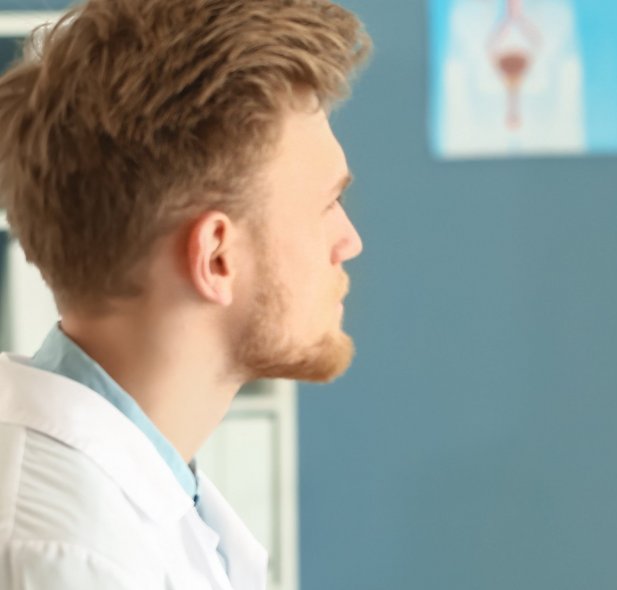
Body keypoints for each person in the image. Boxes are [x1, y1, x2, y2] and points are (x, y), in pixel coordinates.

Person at [0, 0, 370, 586]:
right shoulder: (67, 556)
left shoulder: (132, 499)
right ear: (216, 257)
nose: (348, 241)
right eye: (327, 204)